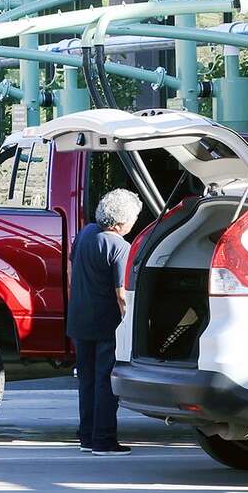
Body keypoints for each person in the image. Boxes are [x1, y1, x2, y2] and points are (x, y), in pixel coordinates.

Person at [67, 189, 142, 456]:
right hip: (105, 322)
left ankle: (86, 436)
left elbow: (70, 268)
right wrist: (128, 320)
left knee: (86, 380)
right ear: (122, 223)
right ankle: (104, 440)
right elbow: (120, 293)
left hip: (78, 317)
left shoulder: (85, 234)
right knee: (105, 381)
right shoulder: (120, 247)